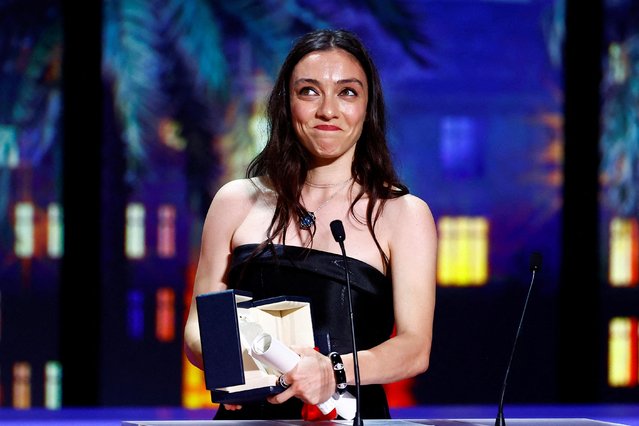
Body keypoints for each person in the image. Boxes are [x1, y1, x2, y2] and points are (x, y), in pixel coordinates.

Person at [183, 28, 437, 420]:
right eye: (309, 91)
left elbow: (414, 348)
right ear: (286, 105)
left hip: (346, 417)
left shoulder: (404, 214)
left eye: (347, 92)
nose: (328, 110)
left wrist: (333, 371)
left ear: (368, 108)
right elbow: (198, 328)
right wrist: (226, 364)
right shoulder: (235, 202)